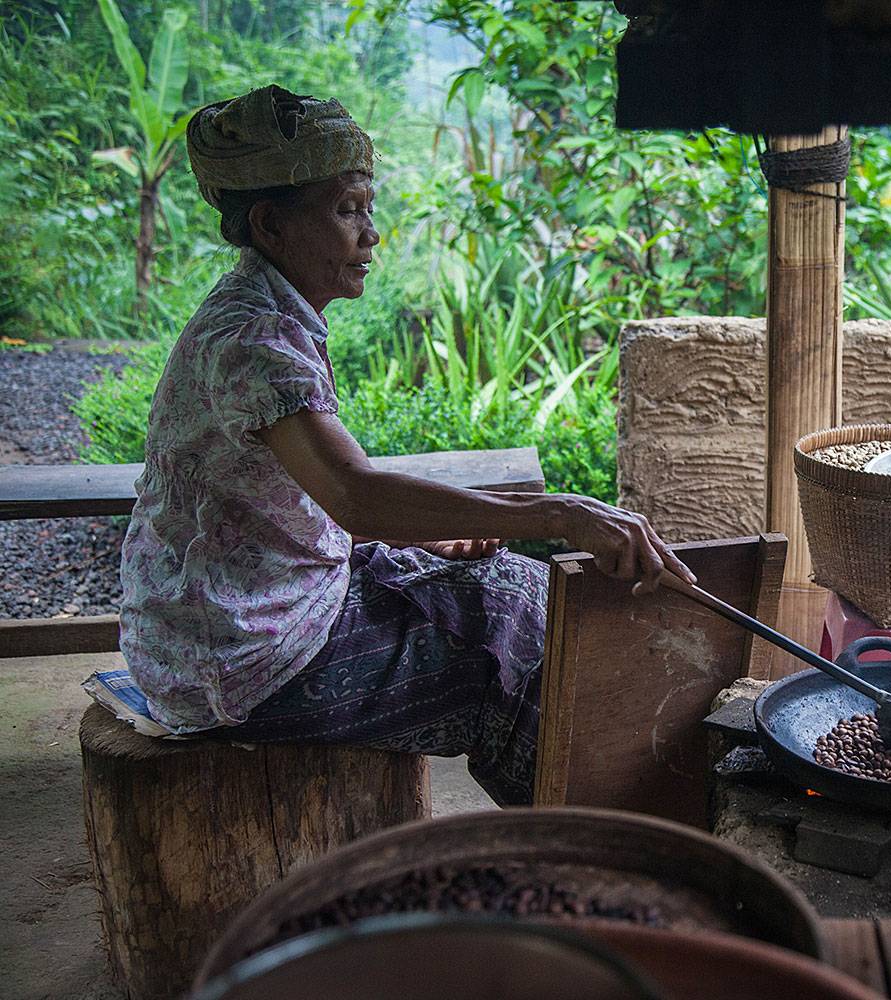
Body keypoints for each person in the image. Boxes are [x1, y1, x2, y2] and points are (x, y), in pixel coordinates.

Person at [117, 85, 693, 805]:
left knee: (517, 589)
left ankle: (582, 821)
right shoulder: (253, 340)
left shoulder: (265, 313)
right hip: (237, 658)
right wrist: (562, 514)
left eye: (367, 207)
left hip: (253, 600)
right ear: (270, 224)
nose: (372, 234)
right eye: (347, 210)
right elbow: (356, 495)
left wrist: (439, 529)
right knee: (508, 662)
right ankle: (577, 843)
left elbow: (298, 498)